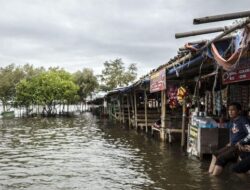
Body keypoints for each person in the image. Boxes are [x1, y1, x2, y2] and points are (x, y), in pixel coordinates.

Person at [208, 102, 250, 176]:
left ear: (239, 111)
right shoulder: (232, 121)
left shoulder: (243, 120)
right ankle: (210, 174)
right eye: (229, 110)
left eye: (233, 110)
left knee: (221, 158)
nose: (230, 112)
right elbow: (233, 133)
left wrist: (241, 142)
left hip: (239, 146)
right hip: (232, 145)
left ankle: (214, 179)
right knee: (215, 154)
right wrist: (230, 141)